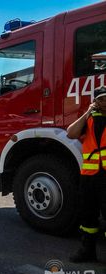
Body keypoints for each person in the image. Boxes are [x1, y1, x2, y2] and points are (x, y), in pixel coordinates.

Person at [67, 86, 106, 263]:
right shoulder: (89, 120)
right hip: (89, 176)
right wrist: (87, 113)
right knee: (87, 215)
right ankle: (87, 251)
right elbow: (71, 133)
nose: (104, 102)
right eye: (101, 99)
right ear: (95, 101)